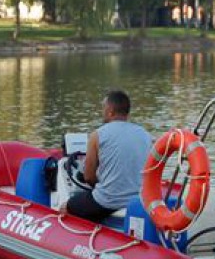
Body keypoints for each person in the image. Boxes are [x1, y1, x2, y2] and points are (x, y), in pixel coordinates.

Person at [63, 90, 152, 223]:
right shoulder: (145, 135)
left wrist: (98, 184)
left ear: (110, 111)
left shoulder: (97, 135)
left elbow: (88, 177)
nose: (102, 111)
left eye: (103, 108)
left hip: (107, 202)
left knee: (66, 206)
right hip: (138, 200)